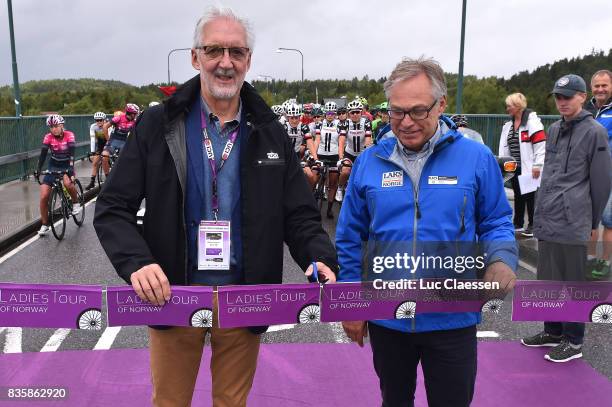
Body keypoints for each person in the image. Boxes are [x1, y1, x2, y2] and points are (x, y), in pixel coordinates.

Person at [93, 7, 337, 407]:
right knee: (169, 402)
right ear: (195, 57)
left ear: (248, 61)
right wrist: (137, 262)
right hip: (173, 294)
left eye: (237, 52)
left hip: (245, 296)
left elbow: (299, 215)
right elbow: (113, 207)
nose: (226, 62)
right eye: (214, 50)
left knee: (231, 403)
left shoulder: (271, 132)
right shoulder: (158, 125)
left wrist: (318, 256)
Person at [336, 57, 517, 407]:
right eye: (396, 111)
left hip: (453, 317)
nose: (405, 123)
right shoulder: (368, 161)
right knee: (394, 400)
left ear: (442, 104)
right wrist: (351, 302)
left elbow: (496, 220)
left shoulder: (477, 158)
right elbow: (350, 238)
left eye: (418, 111)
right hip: (388, 318)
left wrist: (501, 258)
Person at [522, 74, 611, 362]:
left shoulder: (595, 131)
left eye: (568, 96)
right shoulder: (554, 128)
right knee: (548, 279)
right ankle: (553, 331)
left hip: (574, 219)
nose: (562, 102)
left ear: (583, 97)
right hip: (550, 216)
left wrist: (593, 222)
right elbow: (548, 174)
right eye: (559, 97)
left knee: (572, 281)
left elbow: (601, 182)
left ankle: (573, 342)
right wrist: (540, 213)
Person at [499, 93, 546, 237]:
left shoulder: (533, 123)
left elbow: (540, 146)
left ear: (518, 106)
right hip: (514, 167)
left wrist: (537, 165)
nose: (507, 109)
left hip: (529, 167)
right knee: (518, 195)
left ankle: (533, 225)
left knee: (531, 197)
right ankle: (518, 223)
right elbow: (504, 147)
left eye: (509, 106)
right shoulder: (508, 126)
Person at [35, 115, 82, 236]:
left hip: (67, 164)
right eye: (51, 127)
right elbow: (43, 154)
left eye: (56, 126)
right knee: (44, 196)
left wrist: (70, 169)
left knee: (67, 183)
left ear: (61, 125)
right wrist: (38, 169)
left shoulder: (69, 135)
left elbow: (72, 153)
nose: (53, 129)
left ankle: (76, 203)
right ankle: (45, 224)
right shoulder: (48, 137)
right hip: (53, 166)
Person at [585, 69, 612, 279]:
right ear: (591, 87)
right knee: (589, 217)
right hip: (587, 172)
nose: (601, 89)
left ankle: (605, 260)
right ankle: (589, 257)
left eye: (605, 85)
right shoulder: (586, 108)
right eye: (597, 86)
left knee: (609, 219)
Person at [313, 101, 343, 218]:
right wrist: (314, 155)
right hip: (321, 154)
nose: (330, 115)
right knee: (314, 176)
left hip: (334, 156)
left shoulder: (340, 124)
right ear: (325, 114)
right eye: (328, 113)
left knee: (333, 183)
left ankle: (329, 209)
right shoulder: (319, 124)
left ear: (335, 114)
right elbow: (317, 140)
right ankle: (312, 199)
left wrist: (341, 158)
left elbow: (341, 142)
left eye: (332, 113)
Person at [337, 99, 372, 202]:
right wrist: (340, 157)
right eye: (352, 112)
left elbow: (368, 139)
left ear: (361, 112)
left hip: (361, 153)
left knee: (364, 174)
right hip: (349, 153)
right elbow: (342, 141)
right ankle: (339, 187)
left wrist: (366, 152)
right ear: (349, 114)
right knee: (345, 171)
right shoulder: (346, 123)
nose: (355, 114)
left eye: (357, 112)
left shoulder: (366, 122)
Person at [101, 103, 139, 176]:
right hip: (113, 140)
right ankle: (107, 177)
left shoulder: (134, 121)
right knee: (104, 157)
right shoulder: (119, 118)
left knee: (124, 160)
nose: (135, 115)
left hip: (124, 141)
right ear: (130, 113)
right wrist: (108, 139)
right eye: (134, 114)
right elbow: (105, 127)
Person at [85, 112, 107, 190]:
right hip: (100, 145)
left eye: (100, 120)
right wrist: (93, 151)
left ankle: (108, 180)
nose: (98, 122)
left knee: (105, 160)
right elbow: (93, 139)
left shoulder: (108, 126)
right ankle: (92, 182)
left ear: (104, 120)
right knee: (95, 163)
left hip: (108, 144)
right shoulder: (93, 127)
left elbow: (110, 139)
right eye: (97, 120)